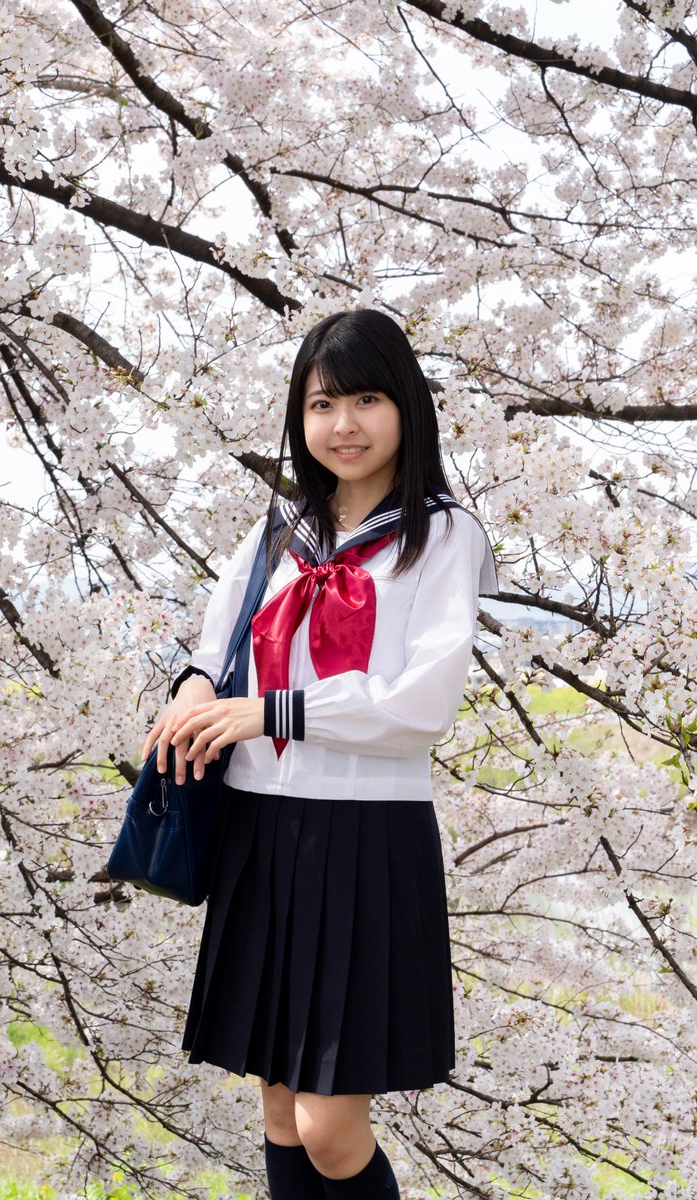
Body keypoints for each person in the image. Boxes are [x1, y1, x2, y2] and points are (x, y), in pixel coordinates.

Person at [142, 309, 498, 1200]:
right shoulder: (282, 531)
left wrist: (273, 713)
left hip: (365, 840)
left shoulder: (442, 536)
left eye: (367, 399)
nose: (344, 425)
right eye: (322, 403)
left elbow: (422, 706)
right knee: (277, 1112)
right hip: (262, 834)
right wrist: (192, 690)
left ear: (408, 407)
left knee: (331, 1129)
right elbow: (214, 648)